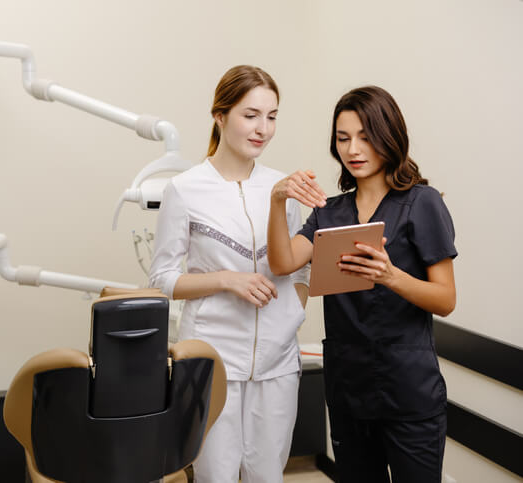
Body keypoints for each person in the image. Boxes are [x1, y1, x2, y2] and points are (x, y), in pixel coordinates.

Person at [267, 85, 456, 483]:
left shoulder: (422, 204)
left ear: (389, 136)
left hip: (409, 396)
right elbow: (283, 262)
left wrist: (391, 276)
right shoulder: (329, 213)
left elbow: (445, 299)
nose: (353, 149)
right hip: (348, 394)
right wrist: (277, 200)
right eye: (343, 138)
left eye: (366, 137)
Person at [149, 65, 310, 483]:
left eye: (272, 116)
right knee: (215, 477)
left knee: (268, 476)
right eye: (251, 115)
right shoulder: (184, 189)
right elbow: (162, 279)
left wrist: (293, 311)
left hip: (278, 364)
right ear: (220, 116)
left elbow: (300, 268)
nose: (263, 129)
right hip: (213, 361)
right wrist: (226, 280)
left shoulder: (283, 189)